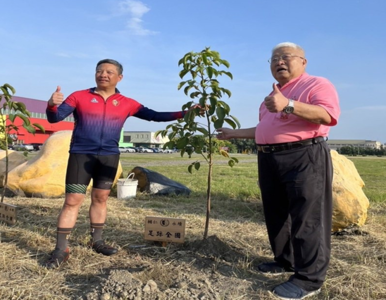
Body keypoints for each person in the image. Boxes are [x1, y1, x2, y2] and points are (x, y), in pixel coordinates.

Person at [217, 42, 340, 299]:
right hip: (270, 158)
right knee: (276, 213)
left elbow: (327, 116)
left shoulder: (316, 84)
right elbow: (264, 128)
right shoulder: (272, 96)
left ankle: (309, 279)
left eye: (285, 57)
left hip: (303, 155)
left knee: (307, 217)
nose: (279, 62)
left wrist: (289, 104)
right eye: (274, 59)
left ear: (303, 62)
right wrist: (233, 133)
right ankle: (285, 261)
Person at [44, 59, 194, 269]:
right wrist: (51, 104)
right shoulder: (79, 96)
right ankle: (61, 249)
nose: (103, 74)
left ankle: (97, 241)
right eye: (99, 71)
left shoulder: (127, 102)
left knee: (101, 197)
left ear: (119, 77)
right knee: (72, 200)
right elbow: (54, 118)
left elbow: (154, 116)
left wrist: (185, 113)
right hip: (81, 155)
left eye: (109, 72)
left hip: (109, 156)